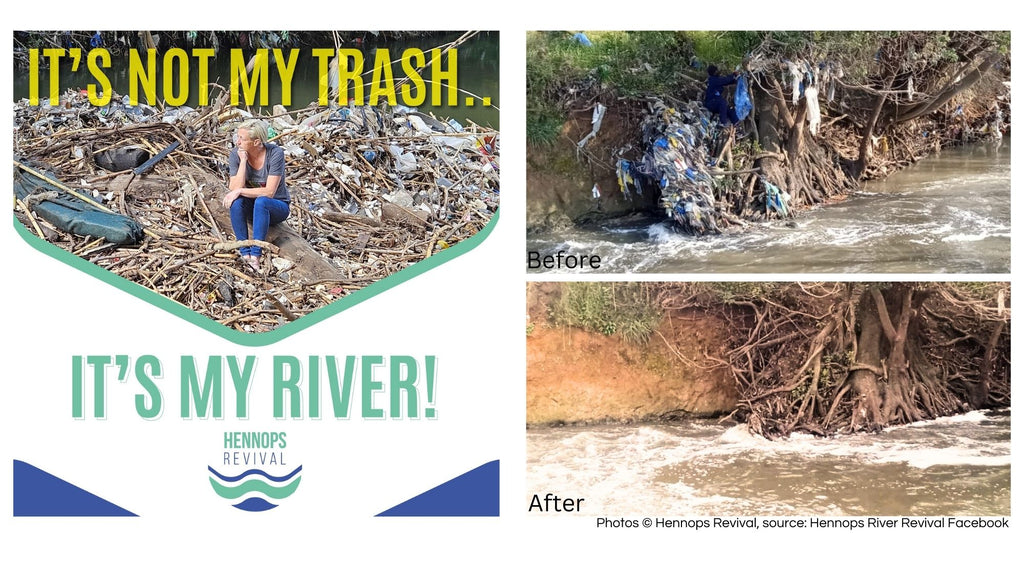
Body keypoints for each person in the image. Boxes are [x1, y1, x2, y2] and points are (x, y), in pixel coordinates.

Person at [221, 120, 290, 272]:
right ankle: (244, 253)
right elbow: (234, 188)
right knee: (236, 202)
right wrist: (244, 161)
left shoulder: (275, 153)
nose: (237, 142)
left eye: (242, 139)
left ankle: (255, 256)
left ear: (256, 141)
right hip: (251, 207)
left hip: (276, 206)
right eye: (236, 137)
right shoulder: (236, 154)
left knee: (262, 201)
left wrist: (240, 191)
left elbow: (269, 192)